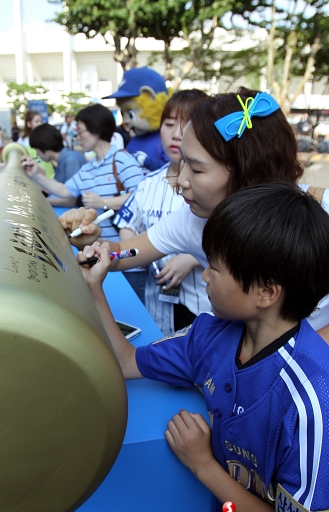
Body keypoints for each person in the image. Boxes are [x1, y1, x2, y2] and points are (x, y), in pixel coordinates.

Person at [79, 183, 329, 512]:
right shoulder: (210, 334)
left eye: (215, 266)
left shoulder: (312, 400)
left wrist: (204, 466)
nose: (205, 275)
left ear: (266, 292)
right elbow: (128, 361)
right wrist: (96, 288)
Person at [58, 88, 329, 341]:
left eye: (196, 170)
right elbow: (122, 254)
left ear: (248, 172)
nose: (180, 181)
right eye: (182, 161)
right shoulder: (193, 220)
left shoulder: (322, 211)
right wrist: (90, 242)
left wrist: (305, 355)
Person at [114, 90, 208, 330]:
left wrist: (190, 258)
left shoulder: (215, 188)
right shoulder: (148, 184)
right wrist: (142, 252)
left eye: (186, 125)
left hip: (203, 309)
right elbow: (127, 225)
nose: (177, 134)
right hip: (155, 306)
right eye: (169, 124)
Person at [22, 104, 144, 241]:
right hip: (101, 250)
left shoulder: (122, 159)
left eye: (80, 131)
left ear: (96, 130)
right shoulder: (87, 168)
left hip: (126, 251)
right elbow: (64, 190)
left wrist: (104, 202)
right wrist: (35, 175)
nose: (78, 137)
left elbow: (141, 196)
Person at [18, 110, 55, 179]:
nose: (40, 124)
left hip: (50, 176)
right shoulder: (23, 141)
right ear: (29, 124)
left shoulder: (46, 138)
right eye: (36, 121)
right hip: (35, 179)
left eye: (41, 121)